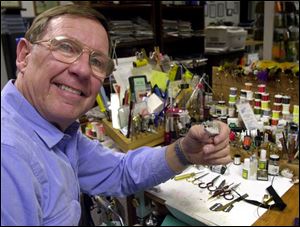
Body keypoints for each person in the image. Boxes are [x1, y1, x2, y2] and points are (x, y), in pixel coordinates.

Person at [1, 4, 231, 226]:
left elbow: (120, 171)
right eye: (66, 47)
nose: (82, 70)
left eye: (97, 61)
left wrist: (185, 151)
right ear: (24, 55)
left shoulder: (54, 129)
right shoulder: (8, 156)